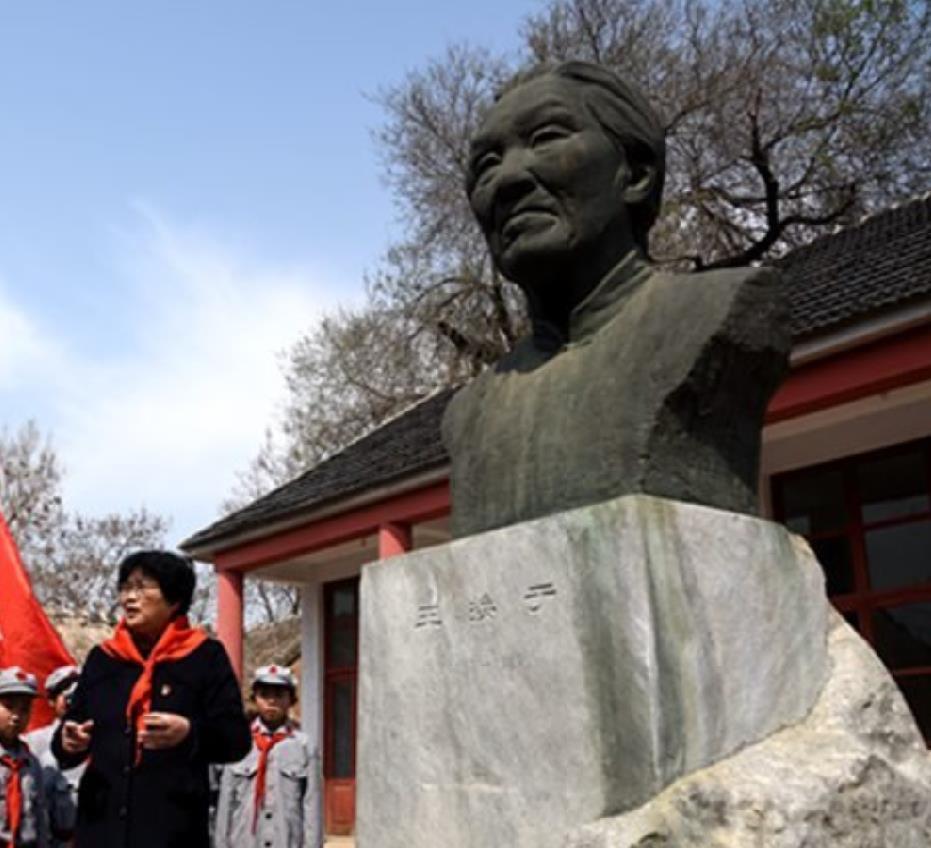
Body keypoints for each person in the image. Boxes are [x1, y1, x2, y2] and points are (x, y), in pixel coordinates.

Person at [444, 61, 790, 537]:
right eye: (486, 165)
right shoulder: (469, 415)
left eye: (546, 138)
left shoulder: (716, 314)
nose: (508, 179)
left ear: (636, 173)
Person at [51, 550, 251, 848]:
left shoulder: (205, 657)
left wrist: (189, 733)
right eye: (125, 587)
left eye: (142, 587)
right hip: (101, 828)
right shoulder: (103, 659)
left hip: (171, 829)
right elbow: (71, 729)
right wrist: (69, 741)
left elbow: (235, 739)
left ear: (174, 600)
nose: (129, 597)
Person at [215, 665, 322, 848]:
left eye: (279, 695)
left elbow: (312, 805)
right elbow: (226, 804)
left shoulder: (304, 746)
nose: (271, 701)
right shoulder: (238, 743)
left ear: (291, 700)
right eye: (264, 694)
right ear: (255, 698)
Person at [24, 666, 82, 847]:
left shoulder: (108, 741)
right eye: (65, 695)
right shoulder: (32, 744)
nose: (73, 701)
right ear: (51, 700)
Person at [0, 666, 50, 847]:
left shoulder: (30, 763)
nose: (16, 716)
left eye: (24, 709)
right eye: (9, 706)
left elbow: (40, 819)